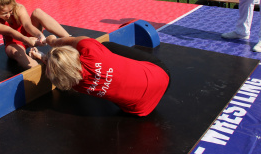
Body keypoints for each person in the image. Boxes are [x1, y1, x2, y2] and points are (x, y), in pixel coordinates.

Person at [29, 36, 170, 116]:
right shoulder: (90, 50)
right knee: (106, 46)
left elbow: (60, 70)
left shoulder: (77, 86)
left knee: (111, 85)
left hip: (141, 110)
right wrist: (53, 41)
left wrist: (41, 56)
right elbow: (71, 41)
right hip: (162, 78)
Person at [0, 0, 70, 69]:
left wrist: (39, 35)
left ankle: (69, 40)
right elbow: (11, 32)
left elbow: (27, 25)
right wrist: (27, 40)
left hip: (28, 33)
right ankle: (40, 69)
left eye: (10, 11)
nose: (8, 15)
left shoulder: (18, 7)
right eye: (4, 13)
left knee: (37, 12)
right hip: (15, 41)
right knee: (14, 52)